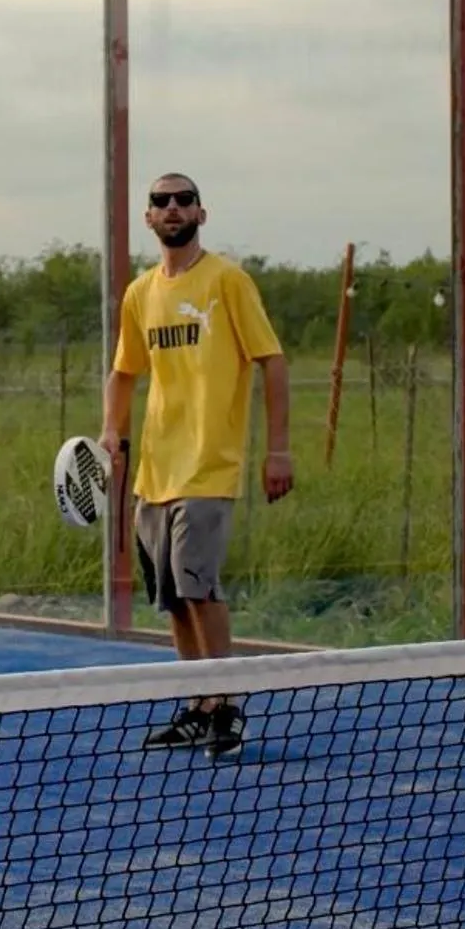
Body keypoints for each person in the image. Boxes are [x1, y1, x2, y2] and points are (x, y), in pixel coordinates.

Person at [99, 173, 293, 759]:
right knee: (175, 598)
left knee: (198, 585)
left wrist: (278, 450)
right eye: (161, 201)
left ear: (200, 215)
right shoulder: (140, 294)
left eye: (184, 200)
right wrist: (111, 433)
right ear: (149, 218)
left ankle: (228, 707)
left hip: (210, 465)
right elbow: (123, 373)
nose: (173, 208)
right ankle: (199, 706)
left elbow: (272, 361)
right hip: (155, 470)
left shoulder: (228, 280)